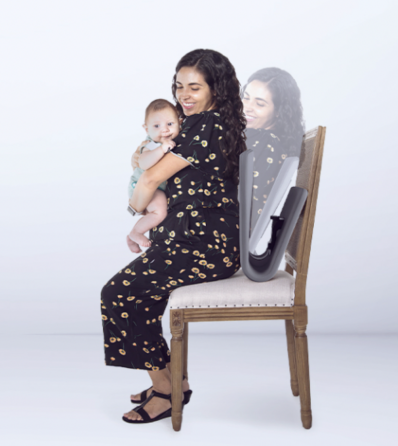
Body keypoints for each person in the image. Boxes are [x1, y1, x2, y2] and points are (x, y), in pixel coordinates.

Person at [103, 49, 246, 424]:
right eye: (179, 86)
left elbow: (149, 178)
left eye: (194, 87)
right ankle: (173, 382)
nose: (184, 94)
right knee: (140, 296)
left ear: (216, 89)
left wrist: (136, 210)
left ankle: (166, 391)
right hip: (200, 242)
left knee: (119, 293)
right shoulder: (203, 124)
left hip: (204, 246)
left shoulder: (205, 125)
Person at [242, 68, 305, 231]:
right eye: (246, 98)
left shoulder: (262, 141)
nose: (247, 107)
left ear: (279, 111)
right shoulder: (272, 143)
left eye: (259, 103)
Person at [126, 99, 181, 254]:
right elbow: (143, 163)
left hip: (158, 187)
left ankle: (131, 238)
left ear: (179, 122)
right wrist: (161, 149)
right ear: (146, 129)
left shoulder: (175, 140)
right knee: (159, 212)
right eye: (157, 126)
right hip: (142, 187)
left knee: (159, 211)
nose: (164, 130)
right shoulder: (151, 144)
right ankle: (136, 232)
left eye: (170, 124)